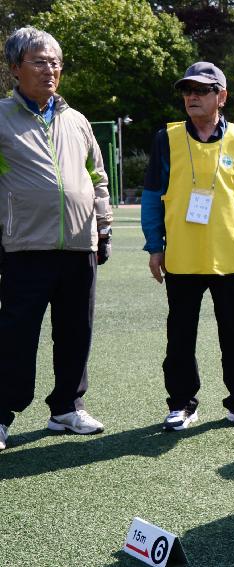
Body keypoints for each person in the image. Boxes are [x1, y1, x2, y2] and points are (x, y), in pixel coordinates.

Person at [141, 62, 234, 431]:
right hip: (181, 257)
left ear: (222, 96)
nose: (192, 96)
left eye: (201, 90)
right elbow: (152, 197)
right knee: (180, 336)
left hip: (230, 256)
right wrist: (155, 246)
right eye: (187, 90)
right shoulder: (165, 139)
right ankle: (182, 404)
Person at [0, 27, 113, 451]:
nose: (50, 70)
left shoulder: (77, 120)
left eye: (55, 63)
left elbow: (97, 177)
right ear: (15, 68)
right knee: (16, 334)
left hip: (79, 246)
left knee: (75, 331)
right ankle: (1, 414)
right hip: (24, 245)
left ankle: (66, 407)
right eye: (39, 62)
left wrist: (102, 227)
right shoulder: (1, 118)